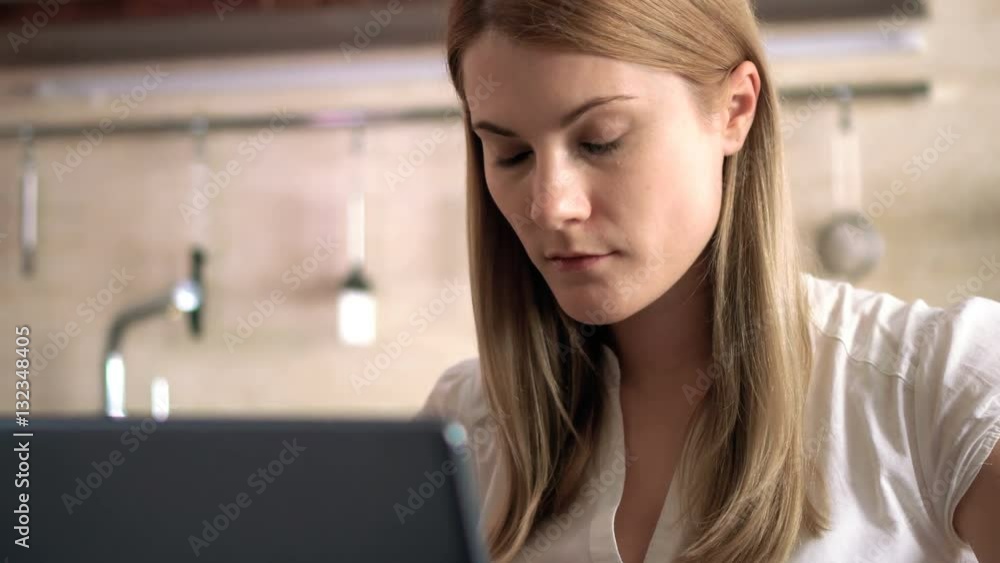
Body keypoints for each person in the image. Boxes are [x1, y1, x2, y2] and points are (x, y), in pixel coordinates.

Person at [416, 1, 1000, 561]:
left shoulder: (941, 385)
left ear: (734, 109)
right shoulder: (460, 427)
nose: (550, 206)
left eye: (601, 141)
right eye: (511, 154)